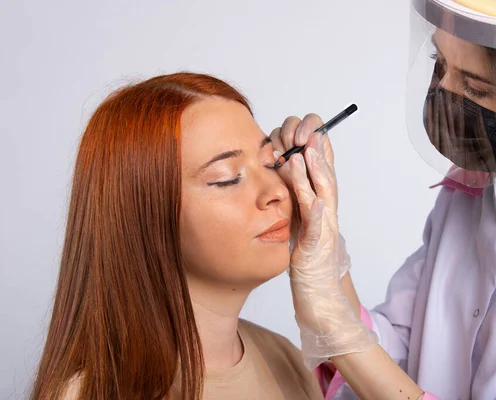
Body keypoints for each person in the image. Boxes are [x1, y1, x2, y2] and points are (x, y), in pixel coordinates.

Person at [271, 0, 496, 398]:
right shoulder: (475, 187)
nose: (443, 93)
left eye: (475, 86)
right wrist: (320, 226)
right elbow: (394, 355)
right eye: (440, 65)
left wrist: (338, 332)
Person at [31, 72, 323, 399]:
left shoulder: (288, 361)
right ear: (143, 213)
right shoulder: (91, 393)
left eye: (270, 162)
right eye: (227, 178)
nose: (277, 192)